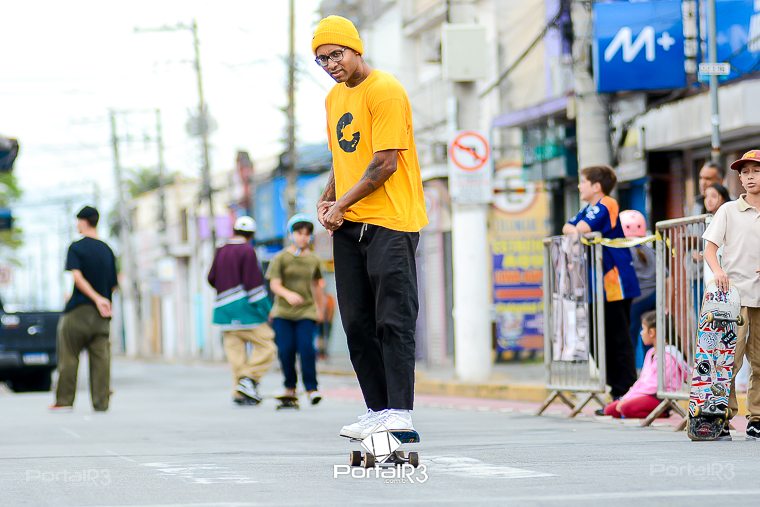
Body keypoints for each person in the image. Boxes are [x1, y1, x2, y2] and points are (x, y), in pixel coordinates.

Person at [312, 15, 428, 439]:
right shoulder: (333, 99)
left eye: (336, 54)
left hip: (390, 222)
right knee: (357, 323)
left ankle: (400, 412)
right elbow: (343, 160)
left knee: (393, 319)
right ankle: (377, 409)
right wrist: (328, 198)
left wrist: (340, 204)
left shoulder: (385, 90)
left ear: (355, 48)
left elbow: (383, 164)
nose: (331, 64)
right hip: (349, 225)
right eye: (322, 59)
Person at [563, 165, 640, 399]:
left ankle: (624, 390)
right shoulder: (588, 208)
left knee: (618, 338)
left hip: (615, 283)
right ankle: (615, 389)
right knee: (598, 338)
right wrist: (576, 231)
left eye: (583, 182)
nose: (579, 186)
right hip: (597, 286)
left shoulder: (607, 203)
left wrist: (577, 231)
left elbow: (582, 228)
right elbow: (567, 227)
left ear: (596, 186)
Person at [702, 150, 760, 440]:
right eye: (745, 172)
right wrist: (718, 272)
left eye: (756, 171)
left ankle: (757, 418)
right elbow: (710, 249)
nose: (750, 177)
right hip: (733, 298)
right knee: (728, 360)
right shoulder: (728, 211)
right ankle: (723, 416)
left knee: (759, 361)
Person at [51, 206, 118, 412]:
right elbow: (113, 284)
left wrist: (95, 299)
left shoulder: (76, 248)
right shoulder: (108, 250)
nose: (77, 225)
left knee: (69, 355)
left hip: (78, 311)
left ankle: (64, 400)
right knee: (101, 359)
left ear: (83, 221)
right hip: (102, 314)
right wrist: (104, 302)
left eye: (78, 221)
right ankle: (101, 401)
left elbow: (77, 278)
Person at [207, 216, 275, 406]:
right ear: (251, 235)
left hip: (224, 312)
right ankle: (249, 379)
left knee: (236, 356)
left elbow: (211, 278)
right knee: (267, 347)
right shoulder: (247, 250)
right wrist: (267, 309)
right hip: (246, 312)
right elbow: (254, 286)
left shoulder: (221, 249)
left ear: (234, 230)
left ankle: (239, 393)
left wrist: (225, 289)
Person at [266, 214, 326, 405]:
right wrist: (288, 294)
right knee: (286, 350)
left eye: (307, 234)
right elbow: (274, 284)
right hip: (283, 312)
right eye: (299, 233)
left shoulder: (314, 260)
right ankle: (289, 388)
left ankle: (311, 389)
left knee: (307, 349)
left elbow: (317, 286)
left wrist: (320, 309)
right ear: (291, 234)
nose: (303, 237)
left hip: (306, 311)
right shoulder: (280, 258)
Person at [603, 311, 688, 418]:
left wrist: (633, 398)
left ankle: (662, 412)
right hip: (646, 394)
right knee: (610, 410)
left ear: (651, 332)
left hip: (659, 397)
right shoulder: (650, 352)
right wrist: (627, 397)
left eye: (643, 329)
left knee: (625, 408)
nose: (641, 333)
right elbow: (642, 381)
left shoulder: (668, 355)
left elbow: (655, 385)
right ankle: (645, 410)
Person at [619, 209, 656, 369]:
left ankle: (631, 373)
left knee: (630, 338)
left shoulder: (624, 251)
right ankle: (651, 372)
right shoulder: (651, 250)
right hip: (654, 298)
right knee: (651, 337)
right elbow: (667, 277)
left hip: (635, 300)